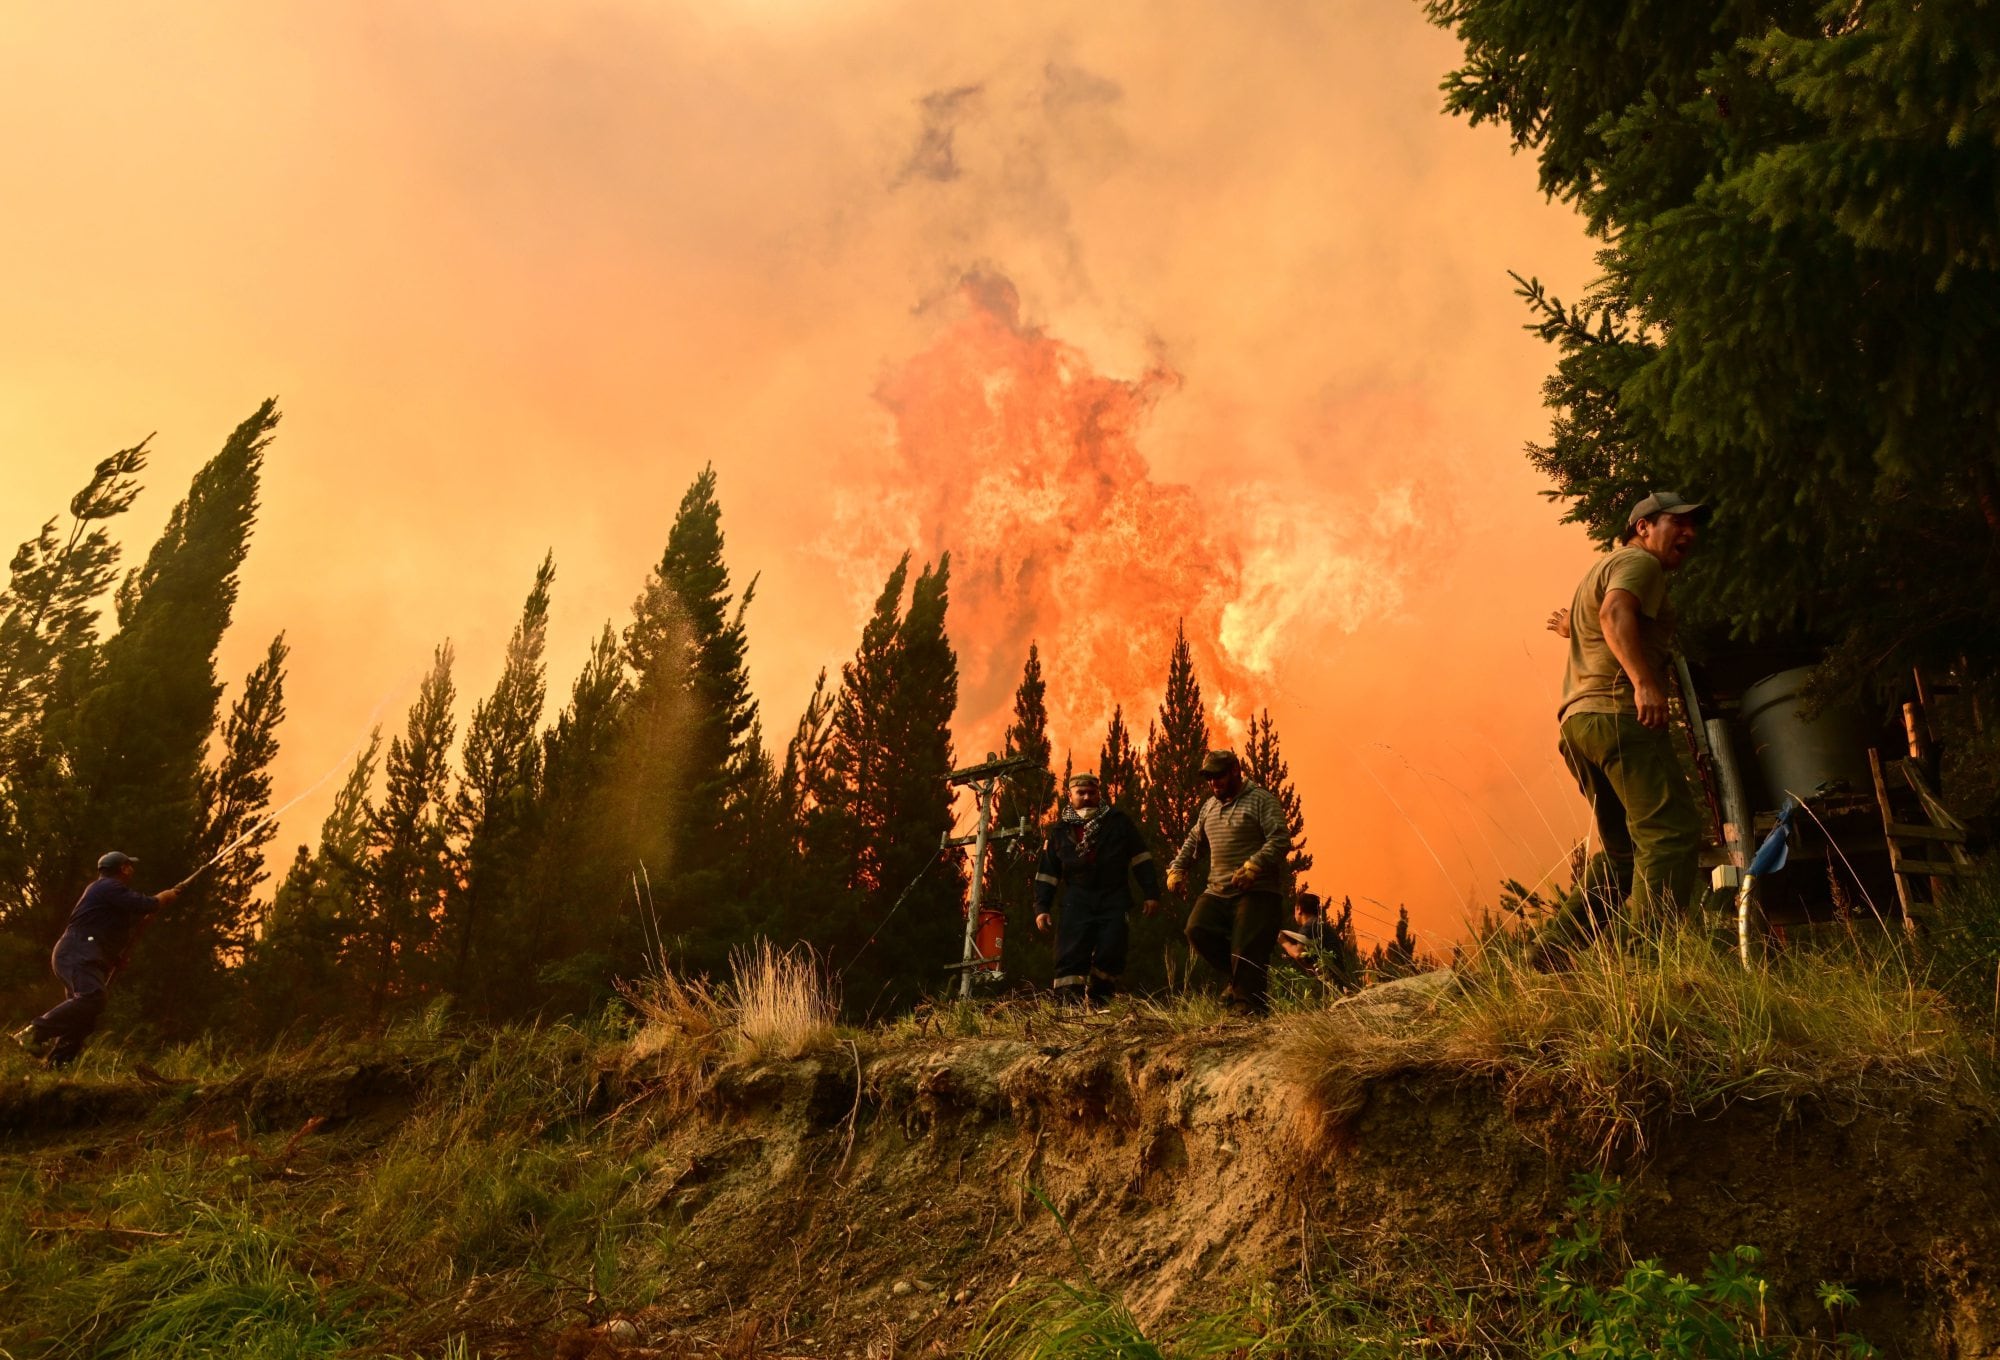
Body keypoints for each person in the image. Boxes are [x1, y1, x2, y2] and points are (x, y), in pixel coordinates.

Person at [1547, 489, 1708, 940]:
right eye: (1678, 523)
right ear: (1644, 527)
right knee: (1670, 834)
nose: (1689, 532)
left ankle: (1553, 955)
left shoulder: (1602, 569)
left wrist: (1567, 627)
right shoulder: (1641, 564)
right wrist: (1643, 683)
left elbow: (1596, 619)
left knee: (1623, 856)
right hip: (1617, 716)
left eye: (1693, 525)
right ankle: (1650, 963)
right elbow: (1614, 612)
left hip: (1578, 725)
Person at [12, 852, 179, 1067]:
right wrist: (162, 898)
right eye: (130, 866)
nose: (133, 870)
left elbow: (102, 930)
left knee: (84, 1017)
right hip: (76, 951)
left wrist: (114, 958)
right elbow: (144, 904)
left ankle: (56, 1065)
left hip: (80, 952)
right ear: (124, 868)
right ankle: (34, 1033)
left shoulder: (107, 893)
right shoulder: (107, 887)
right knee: (92, 998)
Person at [1167, 750, 1292, 1015]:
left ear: (1235, 770)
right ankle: (1239, 979)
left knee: (1245, 947)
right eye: (1209, 778)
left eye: (1219, 775)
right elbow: (1194, 841)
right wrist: (1177, 869)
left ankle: (1246, 1008)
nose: (1214, 783)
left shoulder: (1260, 800)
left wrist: (1255, 865)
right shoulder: (1209, 807)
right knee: (1196, 929)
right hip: (1218, 891)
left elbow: (1280, 838)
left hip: (1257, 892)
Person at [1034, 772, 1161, 1007]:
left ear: (1099, 794)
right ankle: (1067, 1009)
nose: (1086, 797)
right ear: (1069, 795)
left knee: (1112, 949)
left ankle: (1100, 1002)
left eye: (1091, 793)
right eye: (1080, 793)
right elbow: (1048, 872)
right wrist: (1042, 907)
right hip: (1076, 899)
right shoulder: (1060, 830)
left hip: (1114, 896)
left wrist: (1151, 893)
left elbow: (1141, 859)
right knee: (1069, 953)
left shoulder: (1118, 821)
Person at [1277, 891, 1327, 966]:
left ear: (1299, 909)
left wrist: (1283, 941)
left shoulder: (1309, 926)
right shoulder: (1319, 924)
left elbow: (1298, 954)